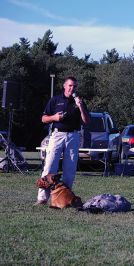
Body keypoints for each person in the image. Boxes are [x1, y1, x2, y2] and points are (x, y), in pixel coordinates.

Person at [35, 76, 90, 205]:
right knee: (49, 165)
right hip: (57, 135)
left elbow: (86, 121)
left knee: (69, 168)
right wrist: (54, 117)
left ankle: (66, 198)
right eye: (70, 85)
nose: (72, 88)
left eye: (75, 86)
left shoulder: (79, 101)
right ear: (65, 86)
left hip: (73, 136)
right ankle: (42, 198)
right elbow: (43, 119)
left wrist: (80, 106)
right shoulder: (55, 100)